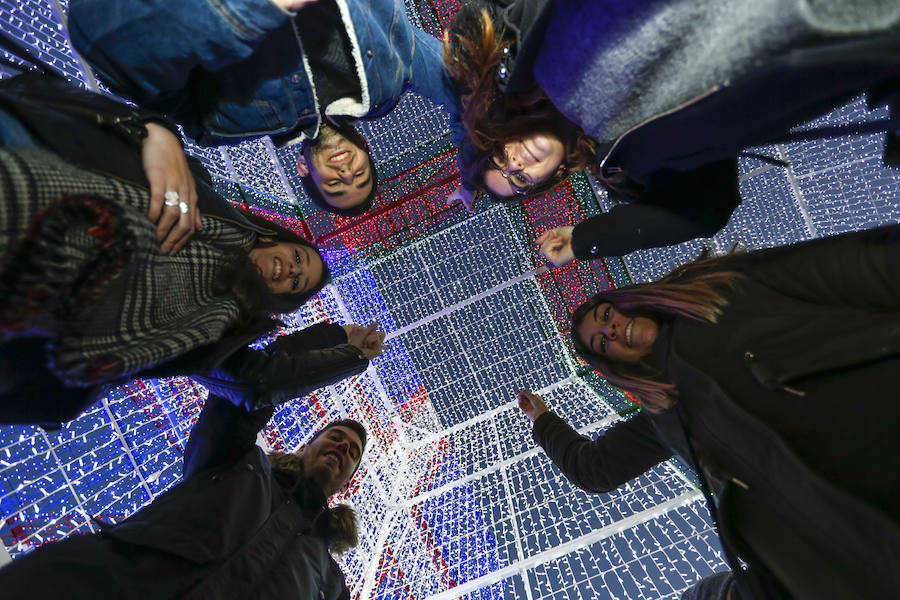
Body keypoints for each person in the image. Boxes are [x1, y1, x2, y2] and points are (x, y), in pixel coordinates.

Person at [519, 224, 900, 599]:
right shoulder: (669, 415)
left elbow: (862, 266)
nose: (612, 331)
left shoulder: (723, 290)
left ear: (626, 302)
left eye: (606, 316)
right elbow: (595, 469)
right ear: (619, 367)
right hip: (871, 549)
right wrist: (543, 420)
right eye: (602, 344)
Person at [0, 70, 382, 425]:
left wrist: (349, 354)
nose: (294, 270)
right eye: (300, 258)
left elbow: (258, 384)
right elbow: (134, 126)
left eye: (297, 283)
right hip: (28, 158)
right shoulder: (199, 183)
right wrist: (158, 131)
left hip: (26, 313)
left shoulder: (216, 330)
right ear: (274, 239)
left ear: (278, 298)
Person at [68, 0, 463, 216]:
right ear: (365, 149)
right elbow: (467, 92)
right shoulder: (388, 84)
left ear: (305, 168)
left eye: (336, 184)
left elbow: (114, 53)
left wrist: (156, 127)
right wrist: (478, 163)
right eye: (360, 175)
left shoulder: (226, 127)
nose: (347, 172)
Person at [0, 394, 368, 599]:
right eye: (335, 436)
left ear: (348, 481)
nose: (342, 447)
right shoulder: (241, 460)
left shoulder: (332, 585)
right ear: (307, 444)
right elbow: (242, 396)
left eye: (352, 451)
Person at [442, 0, 596, 211]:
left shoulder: (514, 69)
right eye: (520, 179)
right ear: (557, 172)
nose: (515, 164)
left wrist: (468, 184)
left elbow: (469, 137)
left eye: (500, 157)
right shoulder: (612, 139)